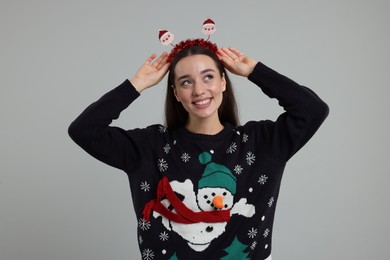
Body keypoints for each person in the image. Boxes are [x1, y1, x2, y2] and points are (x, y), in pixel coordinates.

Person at [68, 38, 329, 259]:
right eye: (186, 82)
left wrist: (255, 71)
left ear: (224, 82)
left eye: (208, 77)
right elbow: (84, 130)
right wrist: (136, 85)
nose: (199, 90)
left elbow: (313, 110)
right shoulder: (149, 147)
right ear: (176, 93)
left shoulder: (261, 143)